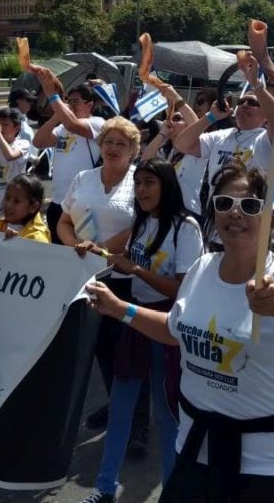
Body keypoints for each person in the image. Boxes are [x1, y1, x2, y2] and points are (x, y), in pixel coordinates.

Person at [85, 161, 274, 502]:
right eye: (224, 203)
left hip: (268, 462)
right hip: (195, 447)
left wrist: (271, 298)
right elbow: (175, 331)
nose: (235, 213)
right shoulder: (201, 267)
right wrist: (120, 310)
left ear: (272, 218)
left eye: (249, 206)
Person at [81, 159, 203, 503]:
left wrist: (136, 270)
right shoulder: (142, 222)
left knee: (166, 417)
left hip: (166, 324)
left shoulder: (186, 227)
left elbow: (182, 291)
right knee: (120, 409)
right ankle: (104, 487)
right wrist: (93, 251)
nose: (142, 190)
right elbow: (113, 253)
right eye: (138, 184)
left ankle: (172, 492)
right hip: (134, 320)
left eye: (149, 182)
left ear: (166, 185)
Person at [59, 116, 140, 431]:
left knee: (124, 351)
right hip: (84, 275)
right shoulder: (83, 177)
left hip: (123, 280)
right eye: (109, 141)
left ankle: (134, 418)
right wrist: (76, 245)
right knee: (97, 349)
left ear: (133, 150)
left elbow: (141, 228)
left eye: (122, 143)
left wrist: (102, 249)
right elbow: (64, 221)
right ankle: (114, 404)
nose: (114, 148)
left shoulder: (140, 180)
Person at [171, 55, 274, 196]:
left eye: (252, 103)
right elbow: (182, 144)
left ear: (265, 118)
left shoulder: (266, 139)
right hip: (216, 213)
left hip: (249, 214)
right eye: (241, 102)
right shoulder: (220, 136)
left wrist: (256, 84)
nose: (245, 105)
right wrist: (210, 117)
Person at [32, 76, 107, 243]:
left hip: (81, 205)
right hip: (58, 201)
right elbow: (38, 142)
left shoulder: (96, 123)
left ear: (89, 105)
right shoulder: (62, 128)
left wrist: (55, 101)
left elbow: (74, 125)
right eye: (69, 101)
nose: (70, 105)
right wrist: (56, 117)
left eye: (76, 101)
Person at [140, 84, 207, 218]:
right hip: (164, 213)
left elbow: (195, 122)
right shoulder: (166, 152)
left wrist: (175, 97)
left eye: (177, 118)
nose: (170, 121)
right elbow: (144, 163)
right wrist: (162, 135)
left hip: (188, 213)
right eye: (169, 119)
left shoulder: (197, 148)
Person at [0, 174, 51, 242]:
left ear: (33, 207)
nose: (8, 205)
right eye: (7, 198)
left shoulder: (38, 239)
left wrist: (17, 242)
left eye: (17, 201)